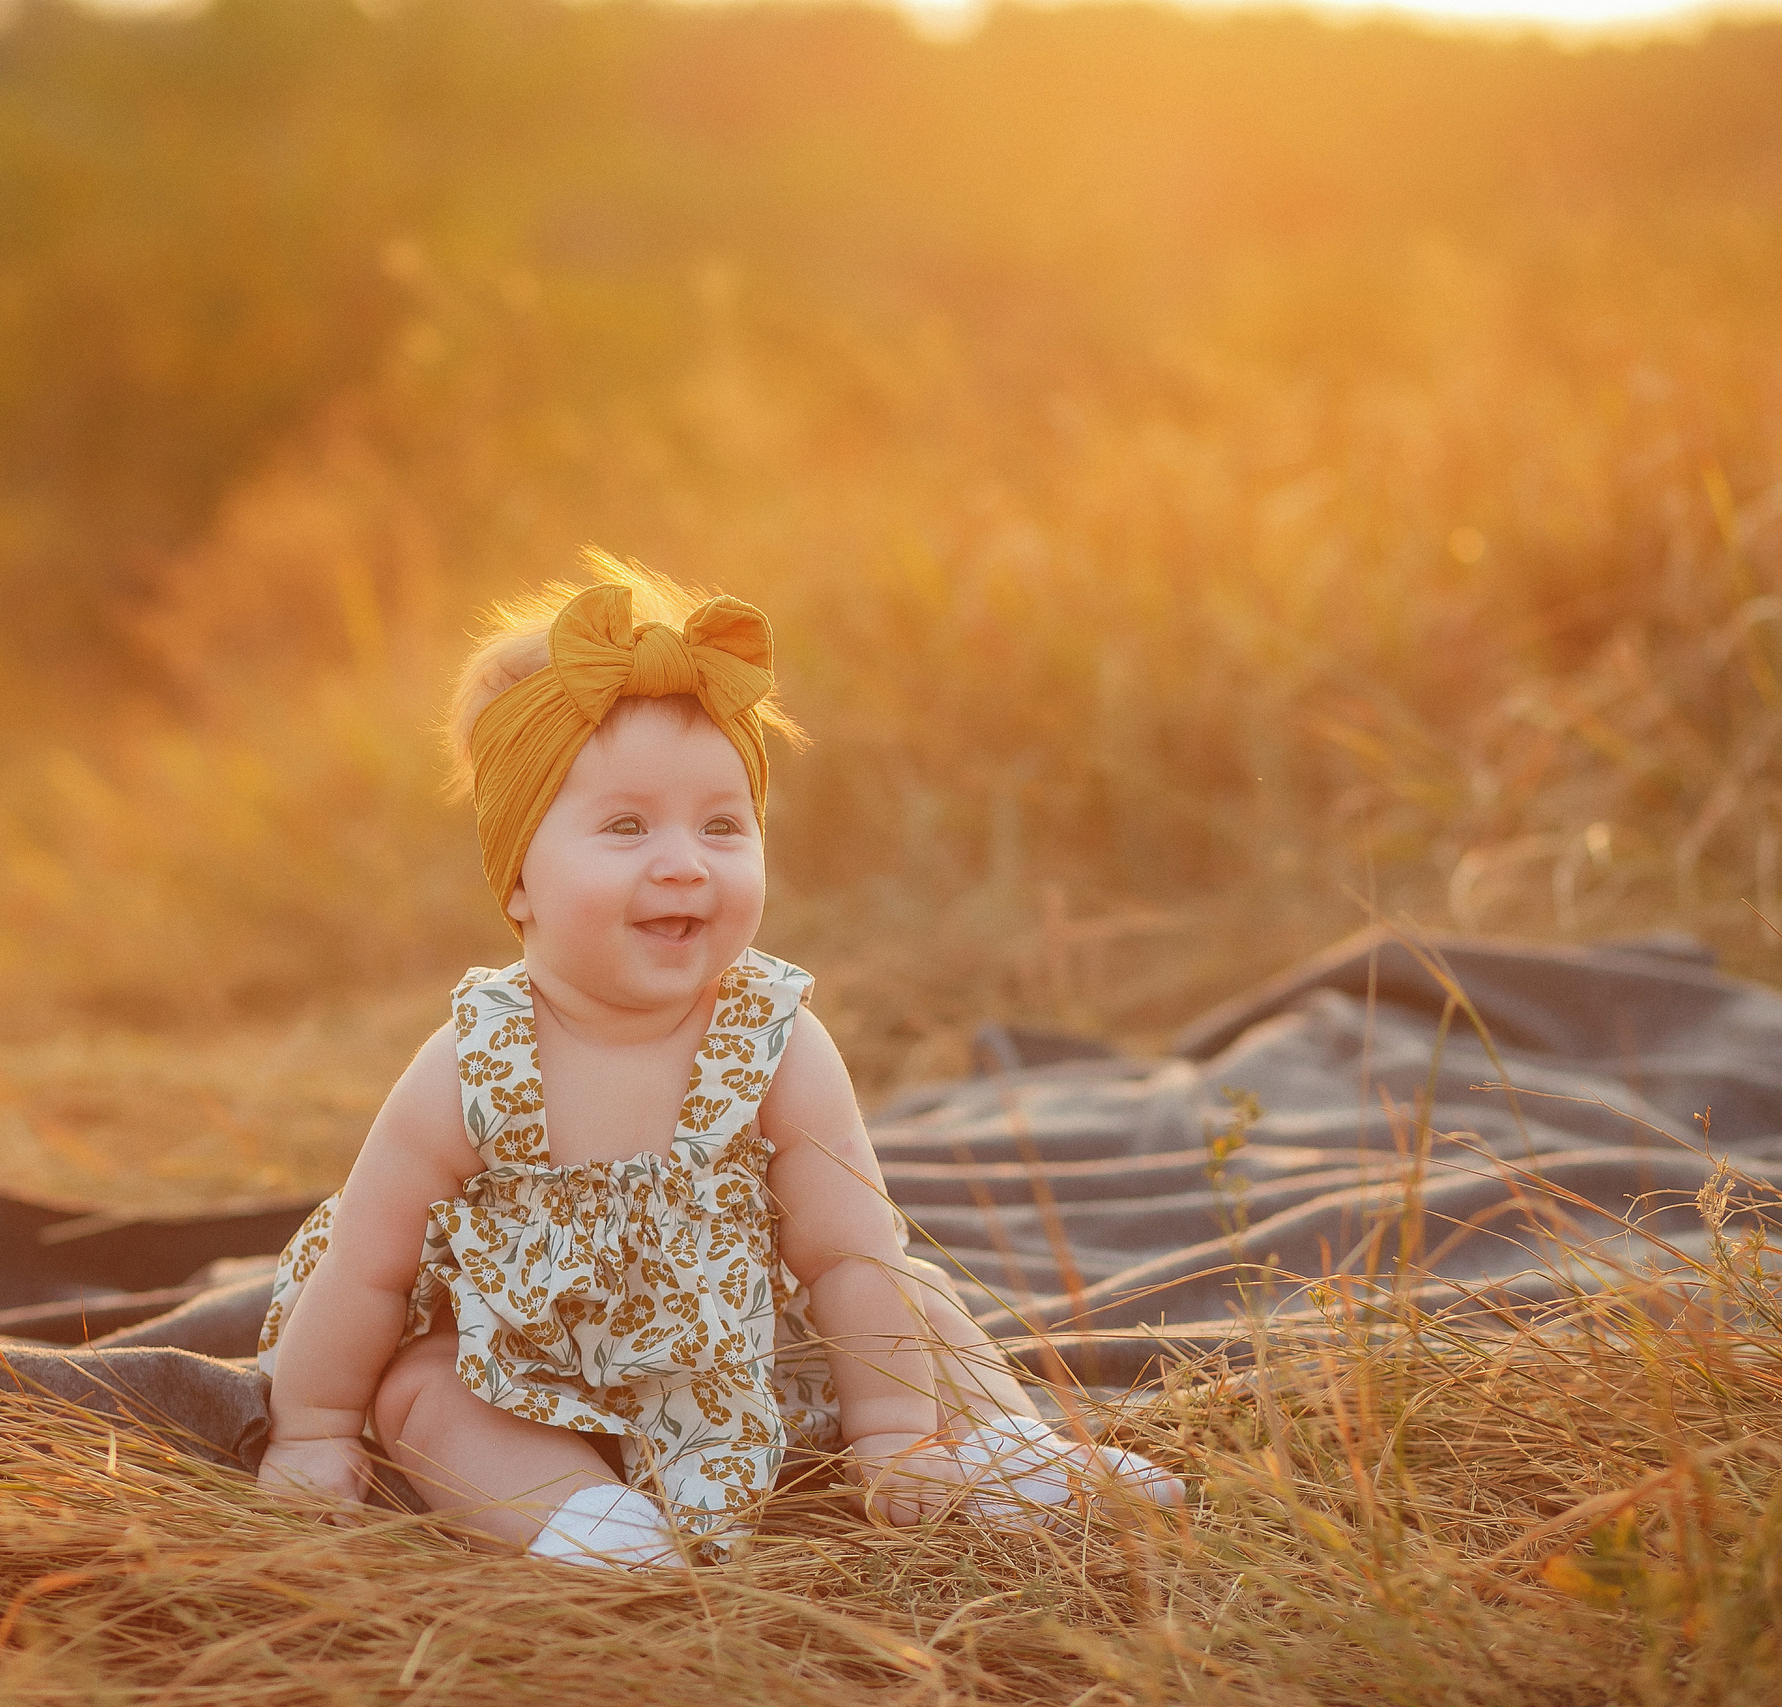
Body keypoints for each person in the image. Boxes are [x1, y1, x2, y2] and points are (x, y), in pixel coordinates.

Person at [254, 557, 1178, 1567]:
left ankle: (979, 1455)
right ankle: (587, 1525)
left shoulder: (770, 1039)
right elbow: (365, 1272)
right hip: (515, 1367)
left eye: (723, 825)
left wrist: (889, 1425)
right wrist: (312, 1428)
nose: (685, 860)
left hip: (735, 1357)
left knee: (913, 1296)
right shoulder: (472, 1063)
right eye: (625, 826)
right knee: (418, 1396)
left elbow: (845, 1252)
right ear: (518, 879)